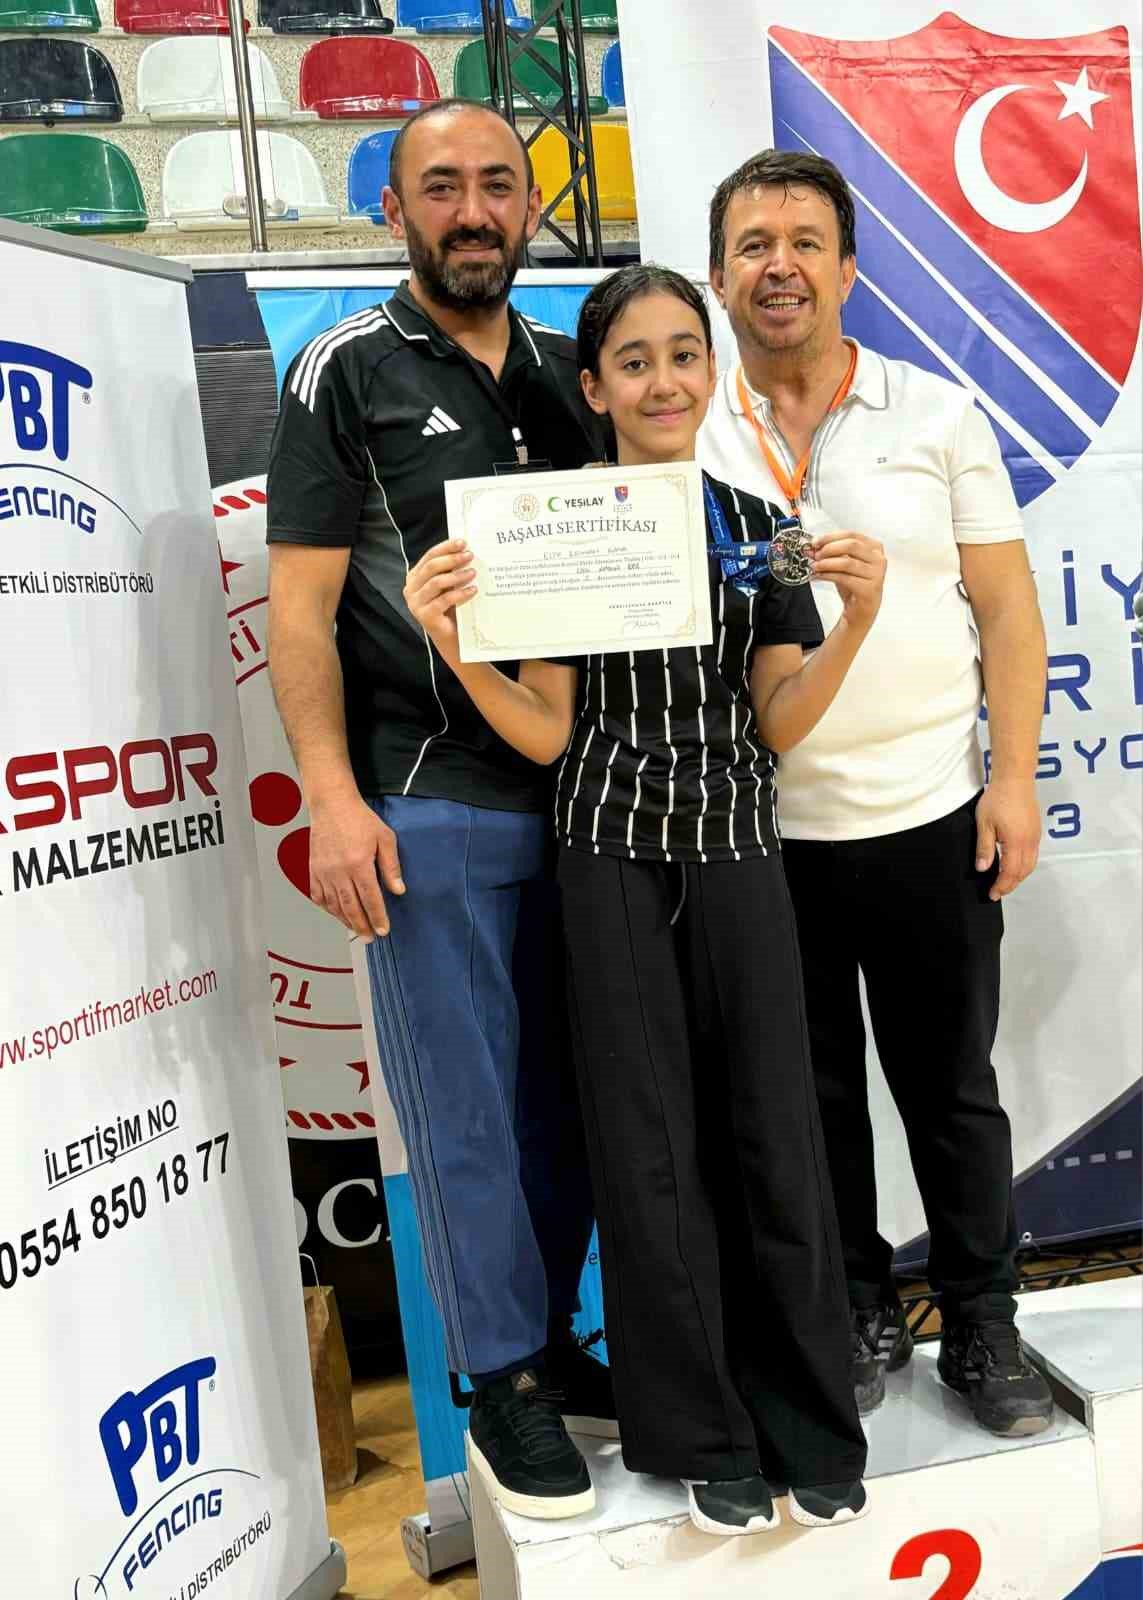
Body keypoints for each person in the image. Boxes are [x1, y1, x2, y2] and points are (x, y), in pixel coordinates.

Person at [404, 264, 884, 1535]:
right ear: (595, 384)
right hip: (609, 861)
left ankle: (808, 1422)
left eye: (683, 354)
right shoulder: (553, 528)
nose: (663, 380)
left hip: (738, 856)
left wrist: (857, 623)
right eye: (634, 360)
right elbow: (550, 734)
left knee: (774, 1137)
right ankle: (703, 1434)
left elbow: (778, 721)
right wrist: (454, 644)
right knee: (649, 1150)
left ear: (711, 374)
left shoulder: (758, 529)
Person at [265, 98, 616, 1522]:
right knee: (463, 1113)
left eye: (496, 185)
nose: (473, 210)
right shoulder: (344, 367)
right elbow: (297, 613)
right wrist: (333, 800)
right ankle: (500, 1375)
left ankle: (553, 1341)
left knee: (571, 1107)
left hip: (584, 795)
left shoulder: (567, 369)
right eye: (441, 187)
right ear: (394, 211)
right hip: (425, 799)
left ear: (528, 203)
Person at [700, 148, 1054, 1437]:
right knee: (808, 1099)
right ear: (719, 277)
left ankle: (982, 1319)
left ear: (848, 270)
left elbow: (1007, 612)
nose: (779, 265)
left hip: (927, 812)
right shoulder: (684, 422)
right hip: (759, 830)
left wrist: (1011, 778)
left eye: (805, 241)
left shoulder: (936, 414)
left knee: (951, 1090)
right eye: (753, 245)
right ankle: (853, 1308)